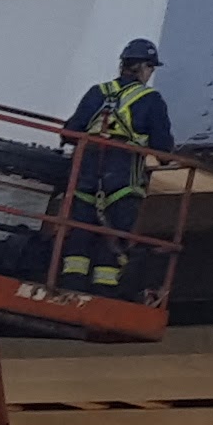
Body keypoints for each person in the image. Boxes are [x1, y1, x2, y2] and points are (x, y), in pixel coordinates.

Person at [58, 41, 171, 295]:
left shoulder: (97, 92)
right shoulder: (151, 100)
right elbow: (163, 148)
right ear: (142, 68)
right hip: (123, 179)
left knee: (80, 234)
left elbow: (70, 132)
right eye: (150, 68)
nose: (150, 73)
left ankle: (71, 287)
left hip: (86, 176)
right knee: (114, 239)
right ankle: (103, 292)